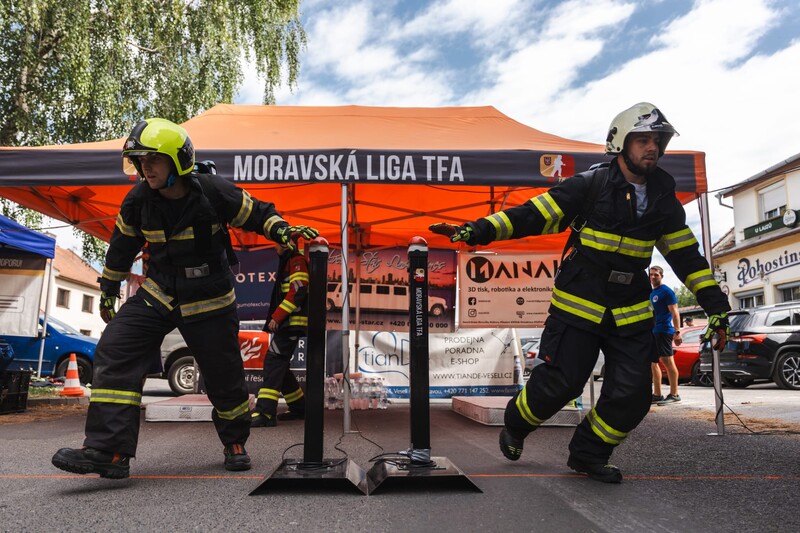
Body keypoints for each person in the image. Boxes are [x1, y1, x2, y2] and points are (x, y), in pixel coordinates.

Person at [430, 102, 731, 483]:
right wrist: (478, 230)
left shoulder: (664, 202)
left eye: (658, 140)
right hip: (579, 305)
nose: (652, 147)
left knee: (633, 394)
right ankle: (517, 424)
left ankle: (589, 454)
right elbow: (531, 215)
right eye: (643, 140)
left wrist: (717, 309)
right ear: (621, 142)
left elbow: (688, 260)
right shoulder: (590, 185)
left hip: (630, 312)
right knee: (561, 383)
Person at [51, 118, 318, 479]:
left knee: (224, 376)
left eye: (153, 159)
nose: (146, 168)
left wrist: (283, 230)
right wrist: (109, 290)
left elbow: (258, 214)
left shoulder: (211, 190)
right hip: (160, 292)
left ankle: (235, 442)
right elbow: (121, 248)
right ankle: (109, 452)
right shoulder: (137, 201)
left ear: (179, 160)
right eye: (140, 160)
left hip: (210, 298)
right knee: (116, 346)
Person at [251, 241, 309, 427]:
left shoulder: (297, 260)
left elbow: (298, 290)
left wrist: (278, 316)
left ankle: (265, 413)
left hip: (291, 323)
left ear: (286, 245)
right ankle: (300, 408)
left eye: (277, 243)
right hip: (289, 323)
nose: (274, 247)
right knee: (280, 364)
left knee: (274, 361)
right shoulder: (289, 261)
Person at [649, 265, 682, 405]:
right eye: (651, 274)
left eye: (656, 274)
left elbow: (675, 312)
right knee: (653, 363)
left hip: (664, 331)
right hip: (654, 331)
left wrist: (677, 332)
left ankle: (674, 394)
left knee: (668, 362)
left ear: (661, 276)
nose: (653, 277)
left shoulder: (666, 292)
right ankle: (657, 394)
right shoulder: (652, 293)